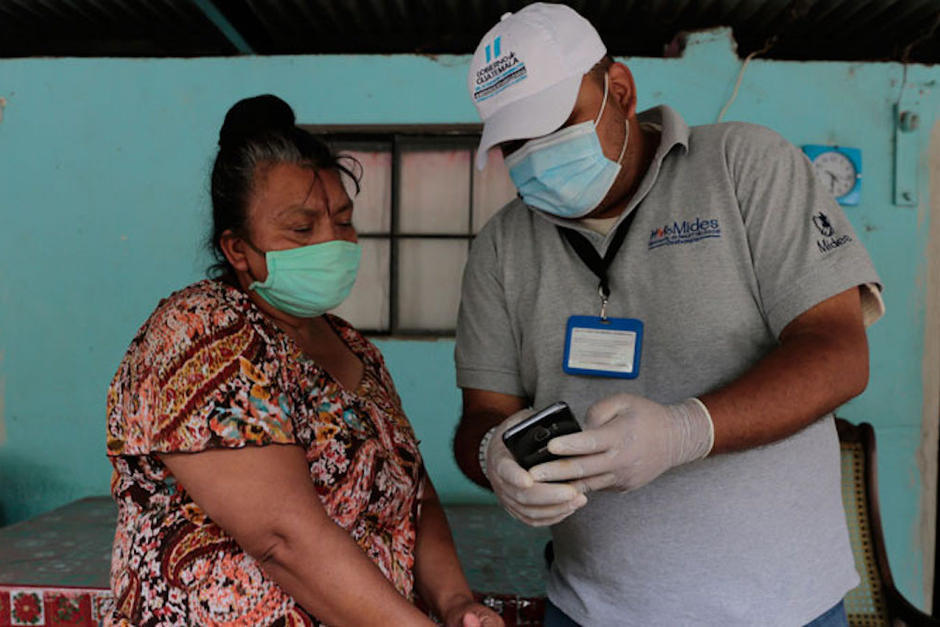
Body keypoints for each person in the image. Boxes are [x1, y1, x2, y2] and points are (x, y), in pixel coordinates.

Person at [453, 4, 884, 626]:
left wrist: (685, 431)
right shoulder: (502, 245)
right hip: (589, 609)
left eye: (554, 126)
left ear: (620, 91)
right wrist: (495, 454)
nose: (535, 155)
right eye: (514, 142)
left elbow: (838, 353)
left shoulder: (745, 168)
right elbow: (484, 414)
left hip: (783, 608)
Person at [105, 94, 503, 627]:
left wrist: (455, 602)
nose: (333, 241)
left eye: (343, 220)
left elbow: (413, 495)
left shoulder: (352, 346)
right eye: (301, 228)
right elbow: (282, 539)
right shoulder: (199, 334)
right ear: (237, 249)